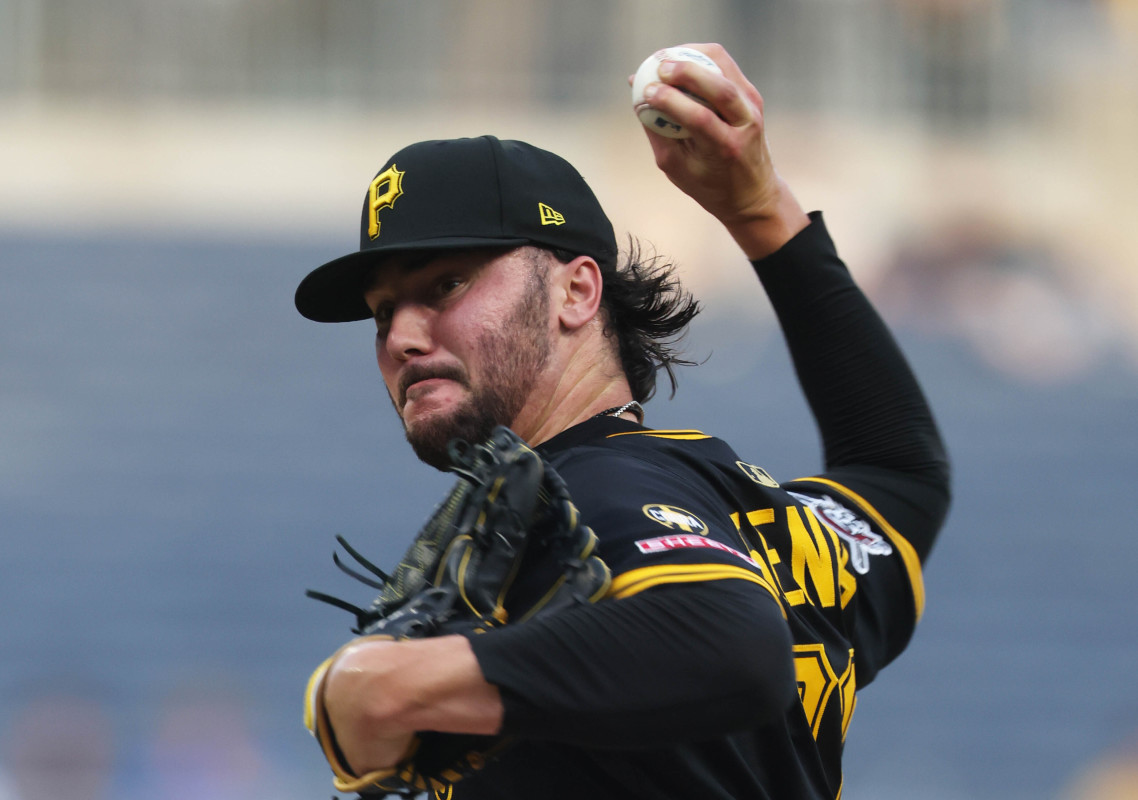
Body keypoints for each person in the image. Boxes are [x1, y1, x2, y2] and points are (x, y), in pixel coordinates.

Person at [294, 42, 950, 800]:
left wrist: (403, 681)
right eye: (382, 313)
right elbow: (899, 473)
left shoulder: (588, 494)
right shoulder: (738, 508)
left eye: (445, 285)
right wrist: (761, 211)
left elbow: (734, 645)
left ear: (576, 292)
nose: (401, 337)